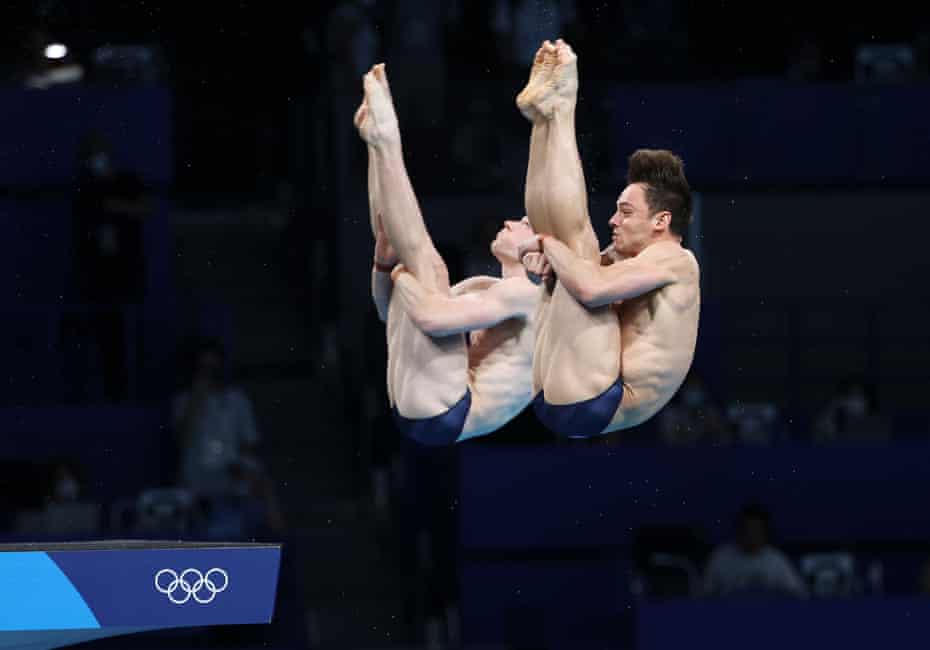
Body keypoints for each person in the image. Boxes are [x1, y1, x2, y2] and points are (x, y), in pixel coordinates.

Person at [515, 39, 700, 438]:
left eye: (627, 211)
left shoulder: (677, 260)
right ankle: (542, 121)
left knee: (574, 245)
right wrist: (543, 269)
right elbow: (568, 269)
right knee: (564, 242)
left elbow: (588, 287)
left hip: (599, 398)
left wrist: (548, 249)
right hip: (564, 390)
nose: (614, 219)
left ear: (661, 221)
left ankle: (561, 108)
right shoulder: (627, 259)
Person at [355, 64, 543, 444]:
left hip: (448, 409)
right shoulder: (486, 288)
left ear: (535, 249)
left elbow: (432, 320)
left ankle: (387, 139)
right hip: (425, 403)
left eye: (525, 223)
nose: (511, 220)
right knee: (402, 253)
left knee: (430, 270)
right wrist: (383, 266)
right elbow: (387, 311)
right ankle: (377, 147)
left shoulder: (528, 295)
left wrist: (399, 276)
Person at [702, 504, 808, 598]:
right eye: (747, 529)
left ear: (765, 532)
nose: (751, 535)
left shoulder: (776, 559)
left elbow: (799, 593)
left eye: (756, 530)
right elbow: (702, 594)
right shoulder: (720, 557)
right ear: (739, 530)